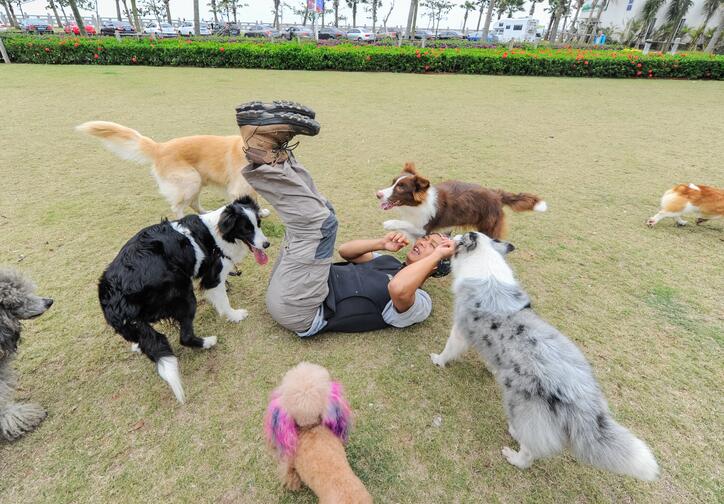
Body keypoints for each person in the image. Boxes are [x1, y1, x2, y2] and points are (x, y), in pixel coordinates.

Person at [235, 102, 455, 337]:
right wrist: (381, 244)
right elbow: (346, 251)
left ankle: (264, 150)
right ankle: (277, 154)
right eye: (428, 240)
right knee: (326, 213)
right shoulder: (390, 262)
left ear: (436, 267)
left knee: (322, 225)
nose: (422, 242)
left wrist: (441, 253)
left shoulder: (420, 301)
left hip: (302, 309)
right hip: (294, 285)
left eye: (432, 247)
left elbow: (399, 289)